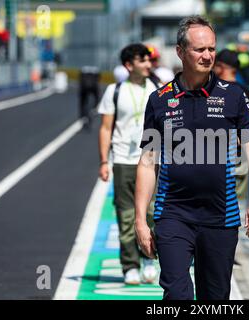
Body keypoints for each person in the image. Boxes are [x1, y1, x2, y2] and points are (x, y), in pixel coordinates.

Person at [134, 16, 249, 300]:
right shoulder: (159, 99)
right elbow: (148, 161)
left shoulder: (234, 96)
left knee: (215, 298)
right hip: (173, 215)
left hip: (221, 216)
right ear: (180, 51)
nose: (207, 56)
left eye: (211, 49)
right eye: (199, 49)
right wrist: (140, 220)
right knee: (176, 294)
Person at [98, 44, 159, 285]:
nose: (148, 64)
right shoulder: (115, 91)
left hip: (152, 160)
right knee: (126, 216)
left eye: (149, 60)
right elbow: (105, 128)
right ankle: (129, 265)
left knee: (153, 213)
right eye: (142, 60)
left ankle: (148, 260)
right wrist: (104, 161)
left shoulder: (157, 89)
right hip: (123, 160)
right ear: (129, 65)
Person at [213, 48, 249, 200]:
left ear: (220, 67)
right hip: (239, 159)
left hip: (214, 158)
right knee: (235, 205)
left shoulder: (212, 91)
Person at [79, 65, 100, 130]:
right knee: (96, 97)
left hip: (84, 87)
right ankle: (95, 108)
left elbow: (80, 79)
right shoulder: (96, 69)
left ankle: (83, 116)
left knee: (82, 101)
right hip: (94, 86)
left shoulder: (83, 69)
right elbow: (98, 79)